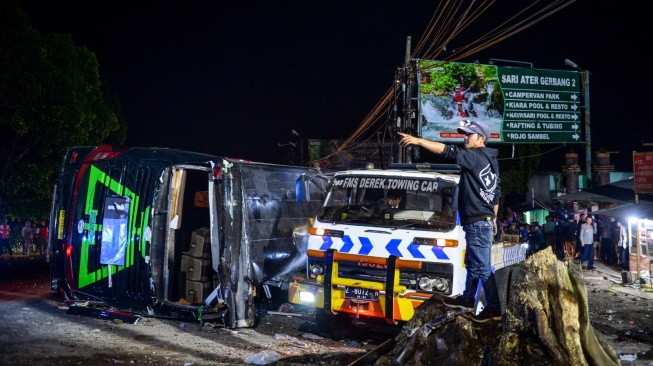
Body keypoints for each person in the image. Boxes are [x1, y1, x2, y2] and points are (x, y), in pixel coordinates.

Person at [398, 119, 502, 323]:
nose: (465, 138)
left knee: (482, 267)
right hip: (483, 219)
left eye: (468, 135)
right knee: (473, 264)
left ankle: (494, 308)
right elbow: (496, 192)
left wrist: (419, 141)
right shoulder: (491, 160)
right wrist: (494, 216)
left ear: (481, 139)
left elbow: (447, 151)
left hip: (478, 221)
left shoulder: (474, 156)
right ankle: (467, 299)